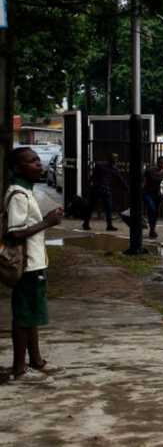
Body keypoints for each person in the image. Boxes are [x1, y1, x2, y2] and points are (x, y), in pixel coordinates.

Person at [6, 147, 65, 382]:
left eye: (39, 160)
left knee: (31, 314)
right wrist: (47, 223)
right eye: (32, 161)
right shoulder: (18, 195)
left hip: (35, 264)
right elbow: (14, 233)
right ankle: (19, 368)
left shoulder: (27, 192)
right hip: (27, 265)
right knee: (24, 315)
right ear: (18, 168)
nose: (39, 164)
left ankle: (36, 360)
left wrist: (46, 219)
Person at [84, 153, 127, 231]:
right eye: (115, 159)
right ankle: (107, 225)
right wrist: (126, 188)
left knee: (98, 207)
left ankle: (87, 223)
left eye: (116, 159)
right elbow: (120, 179)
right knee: (105, 207)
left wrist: (89, 184)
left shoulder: (102, 165)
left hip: (100, 189)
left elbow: (93, 176)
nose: (116, 160)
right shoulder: (109, 167)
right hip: (100, 189)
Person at [142, 156, 163, 239]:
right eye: (161, 163)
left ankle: (152, 229)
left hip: (157, 195)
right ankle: (151, 228)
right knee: (152, 209)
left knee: (155, 213)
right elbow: (143, 180)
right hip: (147, 193)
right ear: (157, 163)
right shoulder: (150, 170)